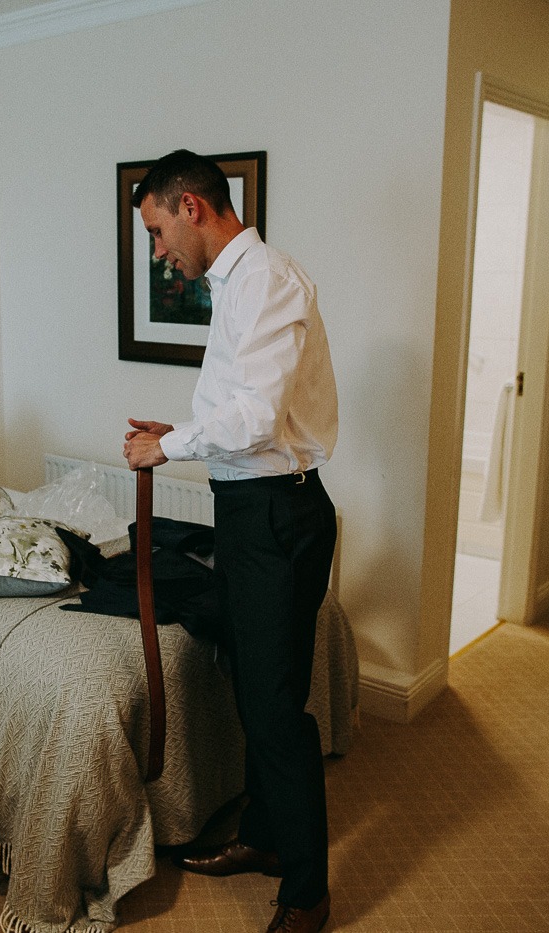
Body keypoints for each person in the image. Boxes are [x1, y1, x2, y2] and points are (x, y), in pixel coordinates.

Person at [123, 149, 338, 933]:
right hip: (253, 512)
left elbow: (252, 418)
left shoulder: (268, 278)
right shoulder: (236, 285)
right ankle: (264, 837)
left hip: (278, 516)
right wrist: (174, 432)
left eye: (156, 230)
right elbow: (243, 408)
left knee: (276, 707)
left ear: (190, 207)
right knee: (254, 681)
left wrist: (170, 444)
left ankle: (308, 891)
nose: (158, 251)